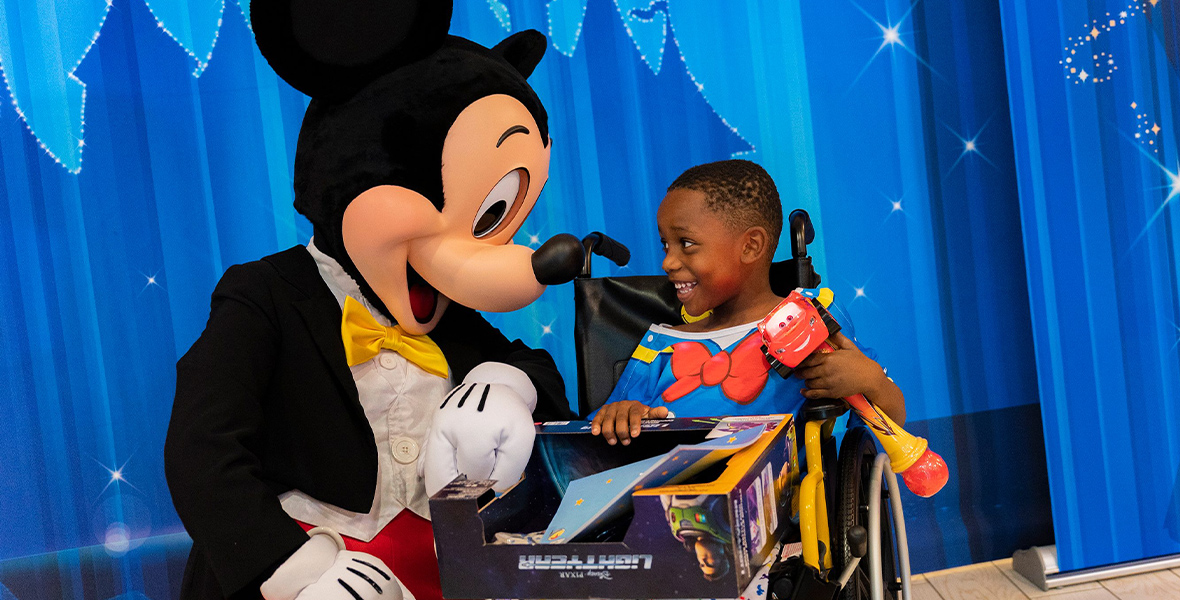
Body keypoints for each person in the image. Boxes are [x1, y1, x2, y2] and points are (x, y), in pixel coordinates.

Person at [590, 160, 906, 445]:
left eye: (686, 244)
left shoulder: (810, 319)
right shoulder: (660, 346)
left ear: (751, 246)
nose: (668, 262)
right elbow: (599, 434)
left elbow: (894, 419)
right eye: (665, 245)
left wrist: (870, 379)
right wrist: (621, 414)